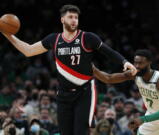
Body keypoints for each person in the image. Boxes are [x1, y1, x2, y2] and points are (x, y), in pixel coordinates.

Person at [0, 4, 137, 135]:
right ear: (62, 19)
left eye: (76, 17)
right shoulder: (54, 39)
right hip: (63, 93)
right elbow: (28, 50)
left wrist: (125, 62)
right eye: (70, 17)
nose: (74, 20)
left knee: (80, 132)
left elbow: (109, 52)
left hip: (84, 92)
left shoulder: (87, 37)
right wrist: (7, 34)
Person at [93, 49, 159, 135]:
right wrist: (93, 69)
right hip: (152, 113)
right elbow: (109, 78)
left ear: (149, 63)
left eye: (140, 63)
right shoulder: (135, 74)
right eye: (135, 62)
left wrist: (143, 119)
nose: (137, 66)